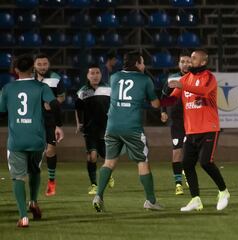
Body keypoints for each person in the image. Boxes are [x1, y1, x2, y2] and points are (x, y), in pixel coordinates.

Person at [92, 51, 164, 212]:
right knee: (142, 161)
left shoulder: (114, 77)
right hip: (132, 127)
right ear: (137, 64)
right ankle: (151, 201)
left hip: (112, 126)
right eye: (142, 62)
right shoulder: (145, 80)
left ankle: (98, 195)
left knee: (109, 162)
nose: (144, 65)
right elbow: (155, 104)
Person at [0, 54, 64, 227]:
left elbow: (1, 111)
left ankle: (23, 217)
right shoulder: (42, 87)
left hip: (16, 139)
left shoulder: (8, 88)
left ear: (15, 70)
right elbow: (56, 104)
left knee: (18, 177)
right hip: (37, 138)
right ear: (32, 69)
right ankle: (34, 202)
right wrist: (58, 126)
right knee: (34, 170)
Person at [163, 49, 230, 212]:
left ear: (203, 62)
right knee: (186, 164)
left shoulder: (209, 77)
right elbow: (172, 99)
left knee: (206, 162)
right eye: (187, 59)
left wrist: (181, 85)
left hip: (209, 128)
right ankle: (195, 199)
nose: (189, 61)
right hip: (191, 130)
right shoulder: (186, 78)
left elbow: (205, 92)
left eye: (193, 58)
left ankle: (223, 191)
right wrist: (159, 98)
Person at [75, 63, 114, 195]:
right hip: (89, 129)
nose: (95, 76)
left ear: (101, 74)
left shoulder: (109, 89)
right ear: (87, 75)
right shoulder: (82, 92)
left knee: (105, 156)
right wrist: (79, 123)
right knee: (91, 157)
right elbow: (78, 109)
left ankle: (108, 175)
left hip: (106, 128)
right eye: (92, 73)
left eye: (97, 73)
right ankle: (94, 185)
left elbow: (114, 107)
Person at [34, 53, 65, 196]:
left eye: (44, 64)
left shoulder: (56, 78)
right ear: (34, 65)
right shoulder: (30, 78)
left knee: (50, 151)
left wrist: (53, 104)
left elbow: (62, 96)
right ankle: (33, 180)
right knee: (34, 151)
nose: (42, 67)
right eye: (39, 64)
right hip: (33, 119)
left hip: (50, 119)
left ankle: (51, 181)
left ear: (49, 64)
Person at [160, 52, 191, 195]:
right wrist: (163, 111)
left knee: (190, 153)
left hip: (192, 121)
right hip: (177, 121)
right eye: (182, 61)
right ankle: (178, 184)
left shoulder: (196, 78)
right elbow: (164, 97)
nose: (185, 64)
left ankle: (189, 176)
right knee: (177, 152)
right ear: (179, 64)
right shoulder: (172, 78)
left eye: (188, 61)